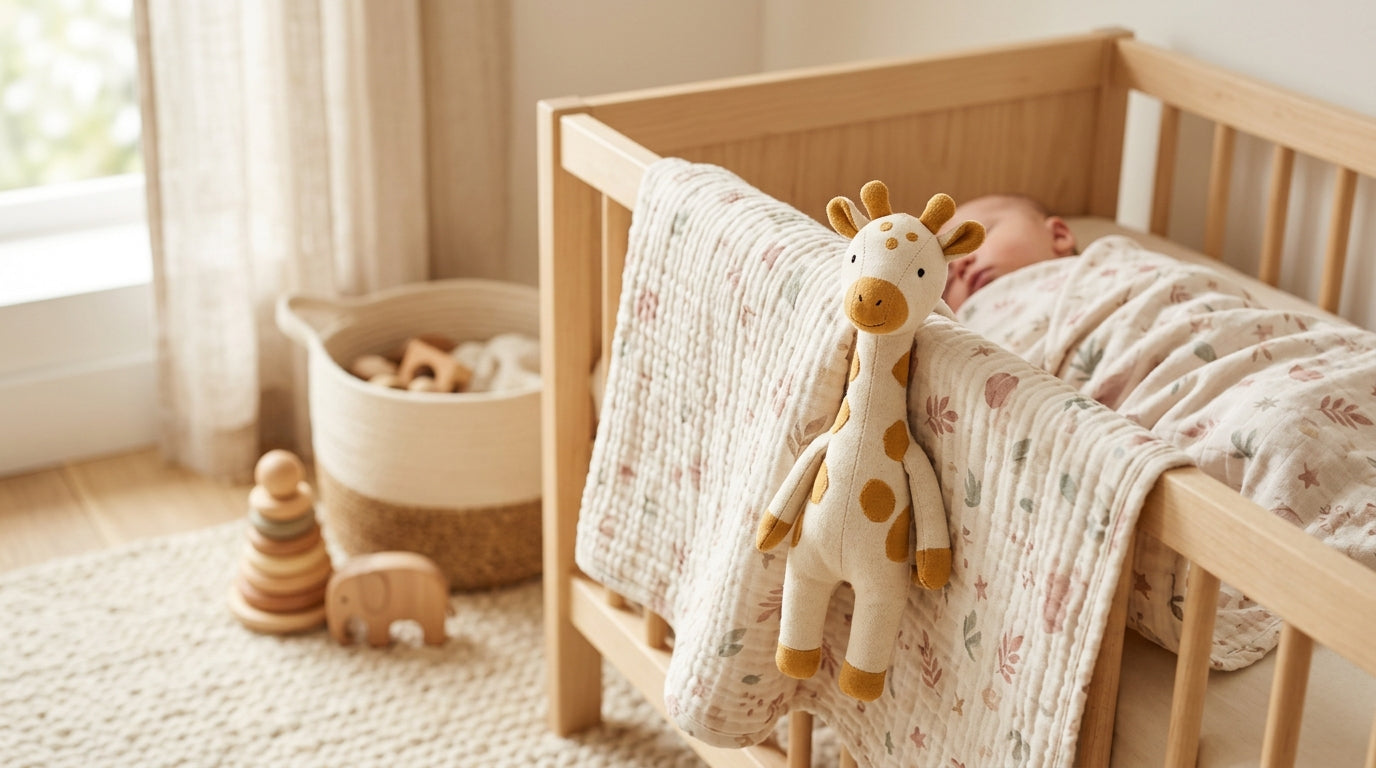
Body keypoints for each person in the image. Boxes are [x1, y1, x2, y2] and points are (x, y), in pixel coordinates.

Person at [942, 195, 1078, 312]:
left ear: (1059, 236)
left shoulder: (1092, 270)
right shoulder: (958, 336)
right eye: (949, 280)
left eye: (975, 239)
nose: (961, 262)